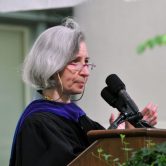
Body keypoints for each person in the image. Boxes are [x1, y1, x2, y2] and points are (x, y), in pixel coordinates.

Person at [9, 18, 158, 166]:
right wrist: (116, 141)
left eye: (86, 62)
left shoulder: (79, 119)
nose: (85, 72)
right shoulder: (38, 123)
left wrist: (127, 131)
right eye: (75, 61)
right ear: (51, 63)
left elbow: (102, 156)